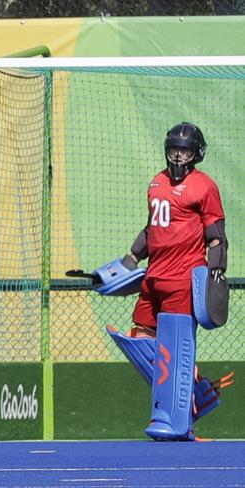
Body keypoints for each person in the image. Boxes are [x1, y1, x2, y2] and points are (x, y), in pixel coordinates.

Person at [108, 122, 230, 440]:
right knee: (138, 337)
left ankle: (181, 422)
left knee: (175, 350)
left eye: (185, 149)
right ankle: (198, 393)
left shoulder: (204, 186)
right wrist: (129, 261)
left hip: (182, 279)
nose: (178, 154)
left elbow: (216, 237)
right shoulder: (155, 183)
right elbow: (151, 228)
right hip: (153, 277)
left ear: (196, 153)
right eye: (175, 148)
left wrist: (216, 274)